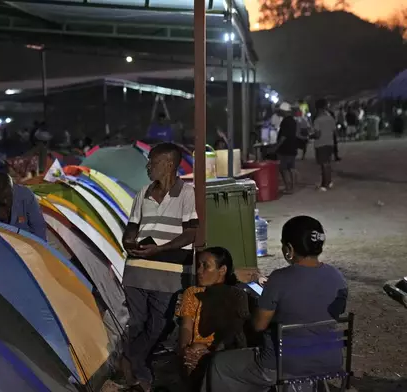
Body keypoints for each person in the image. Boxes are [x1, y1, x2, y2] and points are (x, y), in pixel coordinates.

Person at [201, 216, 348, 392]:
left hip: (284, 363)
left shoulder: (279, 278)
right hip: (328, 359)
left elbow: (258, 325)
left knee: (219, 364)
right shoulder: (337, 277)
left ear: (289, 249)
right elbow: (334, 313)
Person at [121, 142, 198, 392]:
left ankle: (131, 361)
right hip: (137, 269)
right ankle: (140, 371)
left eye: (152, 163)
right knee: (137, 322)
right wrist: (128, 241)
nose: (148, 167)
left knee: (161, 324)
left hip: (169, 272)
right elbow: (132, 227)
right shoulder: (142, 193)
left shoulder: (187, 193)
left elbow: (191, 234)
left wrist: (160, 249)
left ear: (168, 165)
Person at [177, 247, 250, 391]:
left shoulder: (236, 295)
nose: (199, 271)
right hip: (195, 350)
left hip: (224, 349)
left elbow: (234, 333)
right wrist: (185, 349)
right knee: (193, 352)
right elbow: (186, 326)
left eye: (206, 266)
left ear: (222, 270)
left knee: (199, 353)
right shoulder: (192, 293)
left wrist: (211, 352)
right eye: (198, 265)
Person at [0, 172, 47, 240]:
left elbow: (38, 227)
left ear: (13, 188)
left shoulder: (26, 196)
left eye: (8, 196)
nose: (5, 201)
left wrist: (38, 248)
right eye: (0, 196)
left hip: (25, 243)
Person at [312, 99, 336, 192]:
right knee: (328, 164)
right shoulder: (330, 118)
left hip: (321, 144)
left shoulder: (317, 120)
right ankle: (329, 182)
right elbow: (334, 131)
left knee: (324, 165)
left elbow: (317, 135)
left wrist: (311, 135)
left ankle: (324, 185)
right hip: (330, 143)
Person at [274, 102, 298, 194]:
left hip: (285, 148)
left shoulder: (285, 121)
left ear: (284, 111)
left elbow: (283, 136)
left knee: (283, 168)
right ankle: (292, 187)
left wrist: (276, 146)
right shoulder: (293, 120)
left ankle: (288, 187)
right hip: (292, 147)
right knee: (291, 168)